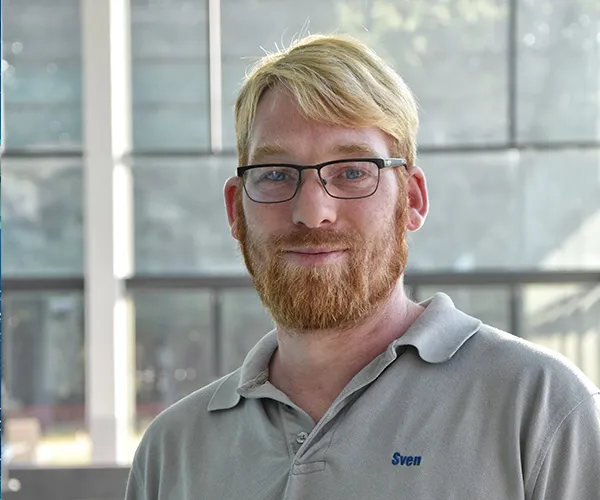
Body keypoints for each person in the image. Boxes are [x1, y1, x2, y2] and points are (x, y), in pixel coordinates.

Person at [125, 34, 600, 499]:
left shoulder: (542, 408)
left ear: (412, 199)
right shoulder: (172, 453)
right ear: (236, 210)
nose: (312, 212)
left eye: (352, 172)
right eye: (276, 174)